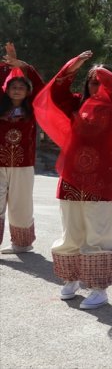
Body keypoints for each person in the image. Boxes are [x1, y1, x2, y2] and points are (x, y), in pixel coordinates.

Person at [33, 51, 112, 310]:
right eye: (93, 81)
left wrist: (107, 75)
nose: (97, 85)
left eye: (103, 81)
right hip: (73, 175)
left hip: (104, 178)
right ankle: (71, 279)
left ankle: (98, 287)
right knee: (71, 230)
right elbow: (56, 95)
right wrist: (73, 67)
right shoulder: (77, 104)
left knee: (99, 232)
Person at [0, 43, 45, 254]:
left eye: (21, 87)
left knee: (21, 205)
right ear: (6, 90)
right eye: (13, 87)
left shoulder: (33, 108)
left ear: (27, 91)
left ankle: (22, 244)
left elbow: (42, 87)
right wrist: (8, 66)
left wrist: (23, 66)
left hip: (23, 164)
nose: (17, 89)